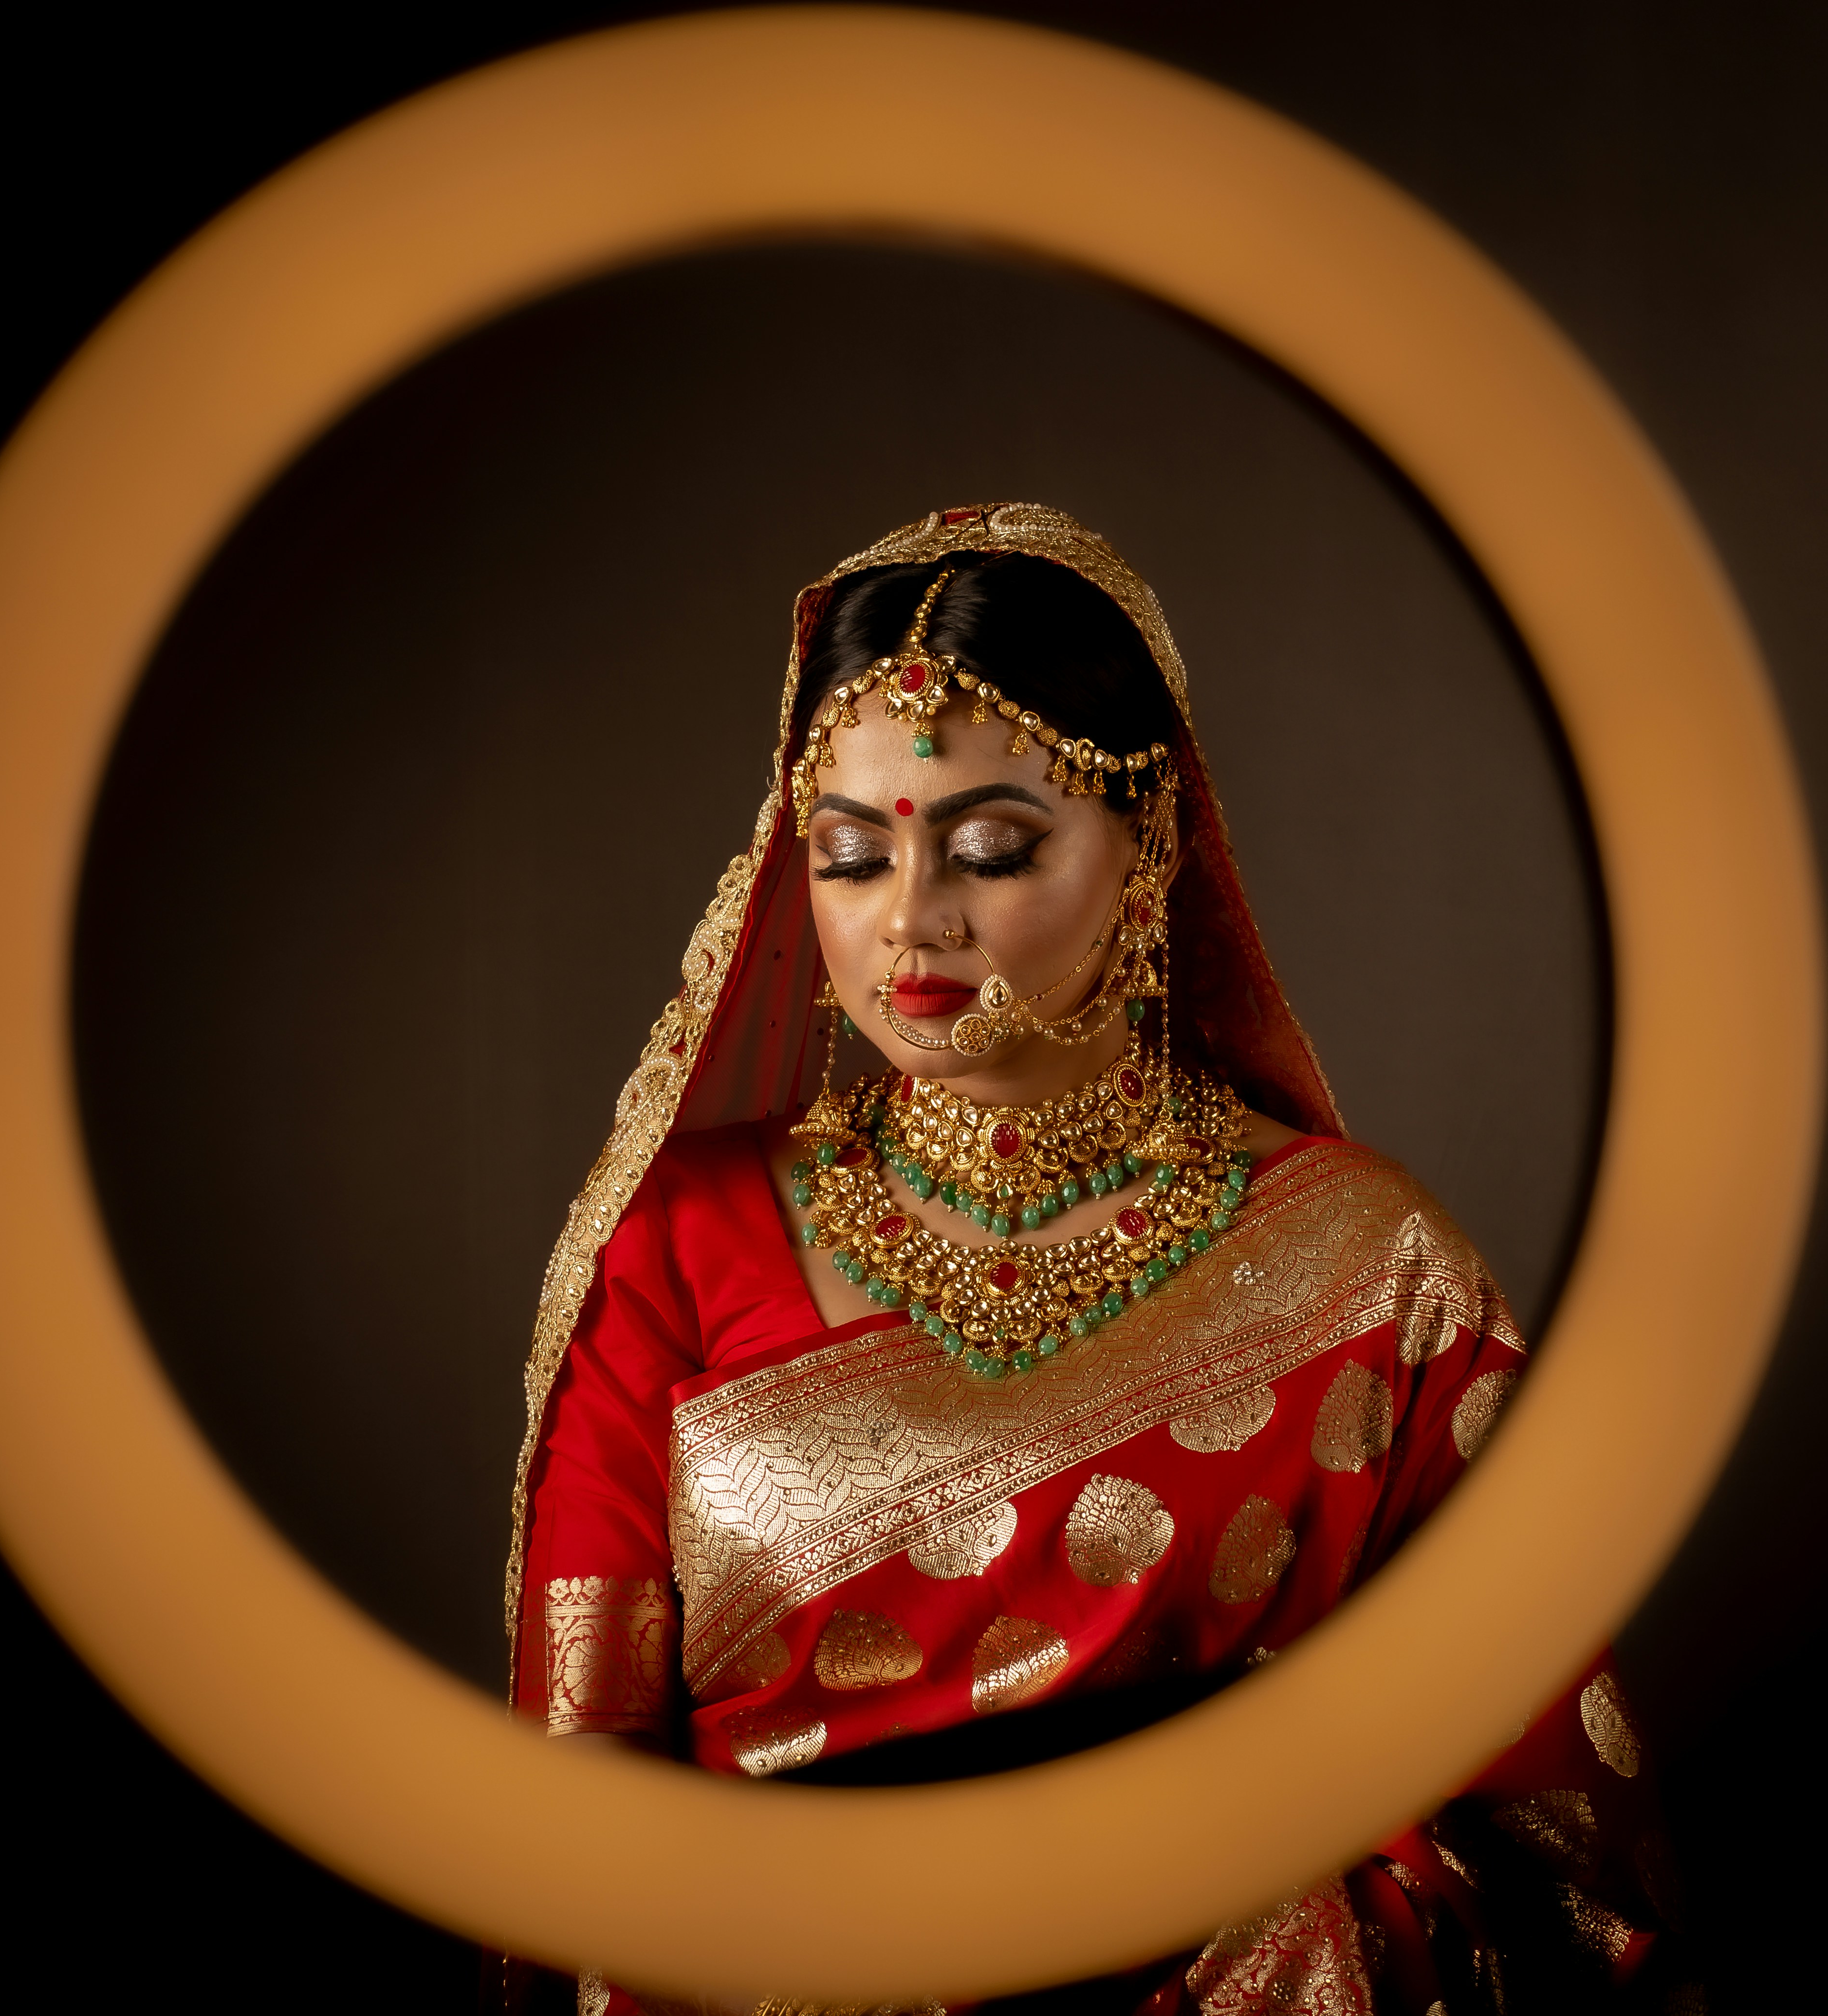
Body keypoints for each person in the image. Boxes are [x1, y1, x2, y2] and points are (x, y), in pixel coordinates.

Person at [502, 506, 1690, 2015]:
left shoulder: (1370, 1268)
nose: (909, 922)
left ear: (1154, 844)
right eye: (851, 855)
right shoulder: (679, 1242)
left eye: (992, 848)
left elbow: (1544, 1831)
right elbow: (581, 1796)